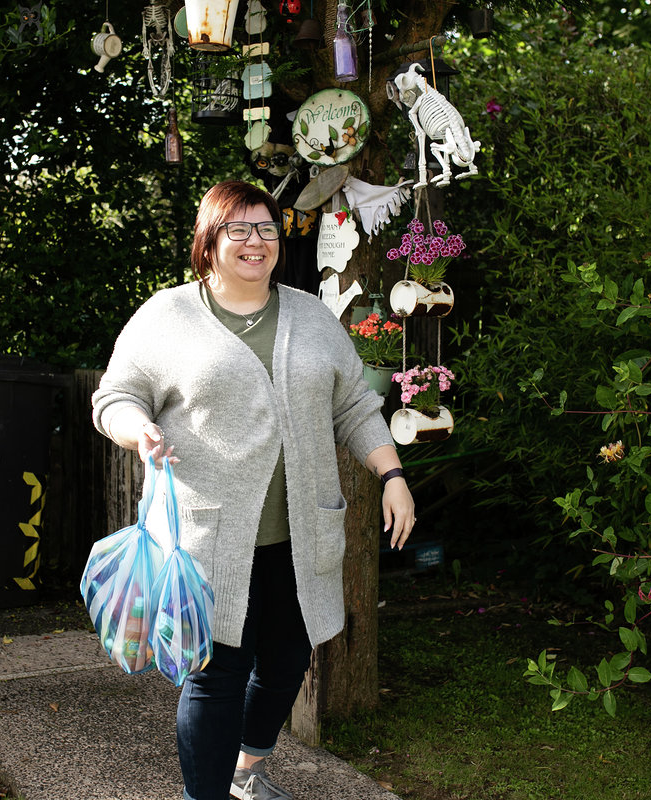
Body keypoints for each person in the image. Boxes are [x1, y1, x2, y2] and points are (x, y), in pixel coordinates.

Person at [92, 180, 415, 800]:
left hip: (300, 535)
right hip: (208, 539)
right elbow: (115, 396)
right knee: (216, 678)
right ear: (208, 242)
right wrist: (139, 430)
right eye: (238, 229)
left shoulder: (312, 316)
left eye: (266, 228)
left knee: (289, 661)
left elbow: (354, 405)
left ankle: (246, 770)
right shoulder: (168, 315)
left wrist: (391, 474)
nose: (255, 241)